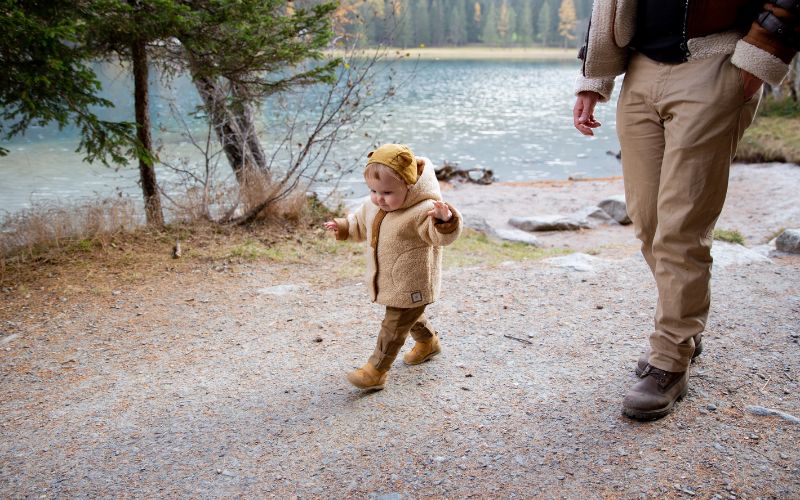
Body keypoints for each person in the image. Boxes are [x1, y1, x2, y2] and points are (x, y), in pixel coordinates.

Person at [572, 0, 799, 420]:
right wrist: (593, 77)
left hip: (715, 63)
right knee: (648, 221)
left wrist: (760, 56)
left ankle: (670, 358)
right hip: (639, 71)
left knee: (681, 227)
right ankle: (684, 332)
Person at [324, 143, 462, 390]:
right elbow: (360, 223)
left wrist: (445, 221)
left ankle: (375, 371)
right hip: (391, 280)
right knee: (410, 317)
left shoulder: (423, 210)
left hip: (413, 281)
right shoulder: (375, 205)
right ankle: (428, 344)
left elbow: (440, 237)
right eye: (373, 190)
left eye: (387, 192)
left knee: (393, 326)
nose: (379, 198)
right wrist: (343, 226)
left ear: (409, 187)